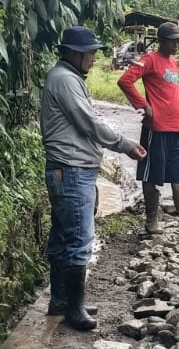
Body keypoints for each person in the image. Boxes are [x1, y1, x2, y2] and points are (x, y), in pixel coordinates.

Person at [42, 26, 145, 331]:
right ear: (76, 52)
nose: (94, 58)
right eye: (91, 53)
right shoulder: (65, 80)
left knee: (63, 235)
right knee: (78, 238)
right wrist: (123, 144)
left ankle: (62, 300)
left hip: (70, 168)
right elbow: (89, 122)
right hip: (71, 169)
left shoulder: (66, 78)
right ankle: (73, 310)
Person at [117, 21, 179, 235]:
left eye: (178, 40)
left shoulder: (174, 63)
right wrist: (143, 105)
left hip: (175, 127)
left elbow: (174, 88)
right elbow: (125, 81)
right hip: (156, 129)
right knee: (152, 175)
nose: (177, 44)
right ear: (161, 40)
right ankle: (152, 222)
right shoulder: (149, 60)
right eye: (173, 40)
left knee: (178, 173)